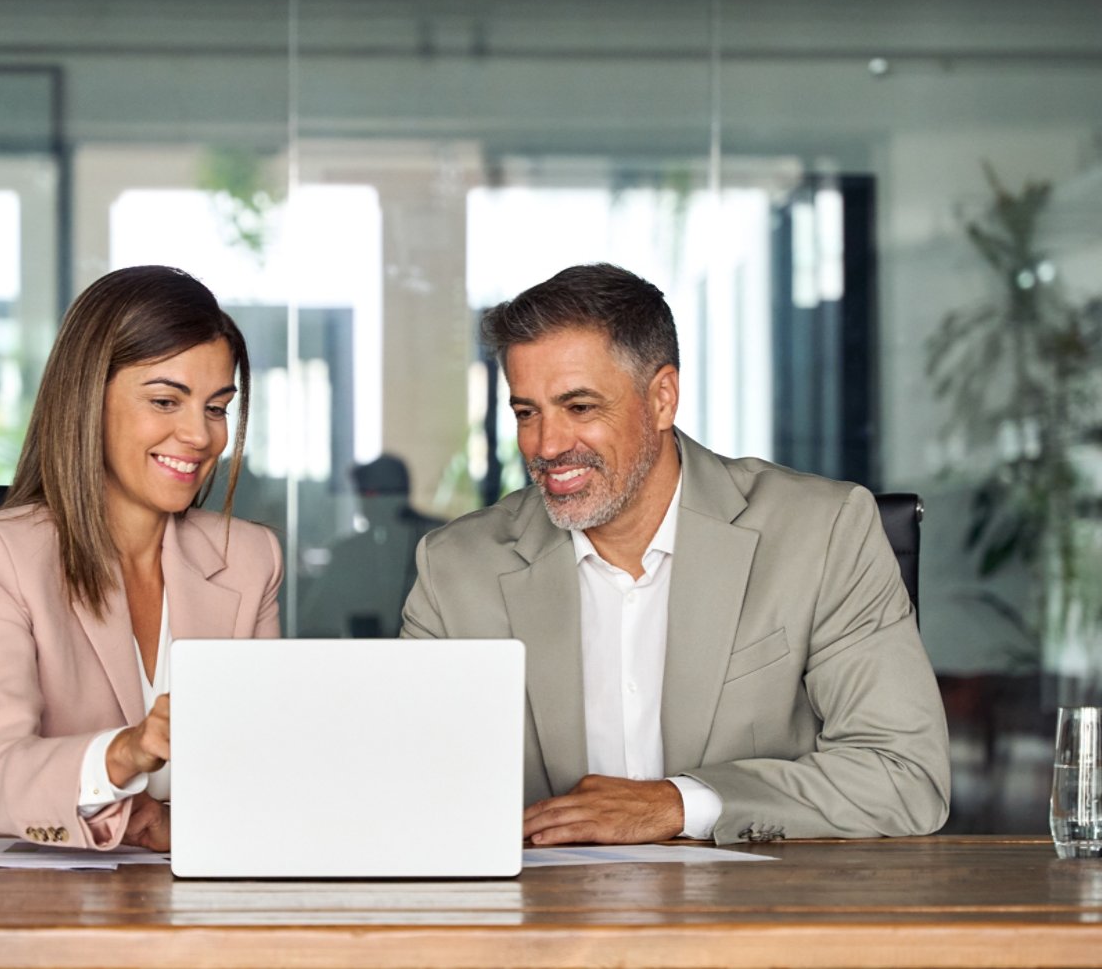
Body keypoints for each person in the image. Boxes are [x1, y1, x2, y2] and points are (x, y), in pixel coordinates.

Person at [401, 263, 949, 846]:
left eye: (580, 407)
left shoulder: (822, 532)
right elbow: (399, 788)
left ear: (662, 398)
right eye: (527, 412)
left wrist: (679, 804)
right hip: (542, 924)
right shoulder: (456, 570)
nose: (547, 445)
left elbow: (906, 776)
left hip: (759, 921)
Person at [0, 265, 280, 851]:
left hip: (184, 894)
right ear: (89, 400)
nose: (200, 435)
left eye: (216, 408)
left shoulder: (248, 558)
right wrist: (126, 753)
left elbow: (260, 773)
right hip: (13, 891)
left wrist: (170, 827)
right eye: (166, 400)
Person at [300, 455, 444, 638]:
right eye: (360, 493)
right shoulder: (350, 553)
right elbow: (316, 621)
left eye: (368, 493)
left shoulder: (437, 541)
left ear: (395, 494)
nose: (362, 502)